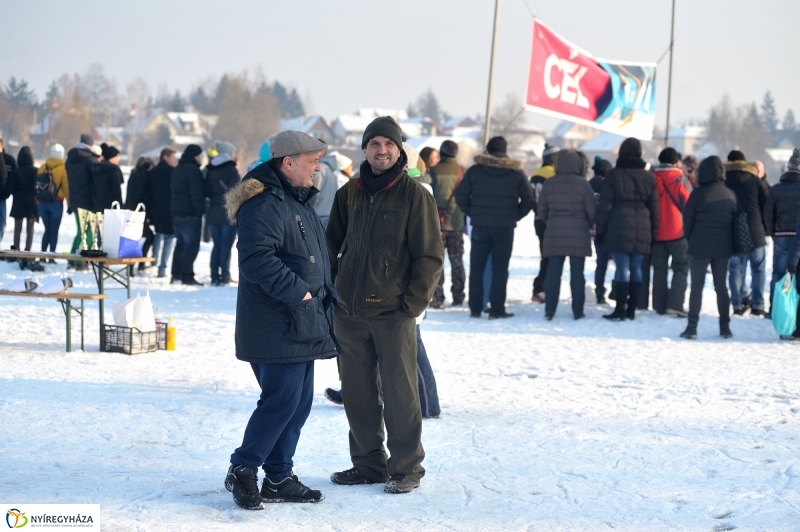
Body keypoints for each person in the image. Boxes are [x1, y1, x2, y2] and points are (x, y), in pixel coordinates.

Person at [326, 116, 443, 494]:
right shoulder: (349, 193)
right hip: (350, 312)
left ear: (399, 150)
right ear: (364, 149)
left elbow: (429, 256)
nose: (381, 151)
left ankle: (406, 467)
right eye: (374, 144)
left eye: (388, 144)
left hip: (394, 313)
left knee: (400, 394)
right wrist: (332, 290)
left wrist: (412, 303)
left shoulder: (415, 196)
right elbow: (331, 246)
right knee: (358, 393)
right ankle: (368, 465)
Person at [222, 130, 337, 511]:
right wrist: (299, 292)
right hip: (275, 320)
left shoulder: (297, 200)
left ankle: (278, 476)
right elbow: (257, 260)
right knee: (282, 399)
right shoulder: (264, 202)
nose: (317, 168)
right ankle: (243, 468)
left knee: (299, 402)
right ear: (288, 163)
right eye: (311, 161)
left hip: (301, 319)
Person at [456, 136, 534, 319]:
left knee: (477, 268)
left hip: (480, 226)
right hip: (504, 227)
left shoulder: (475, 171)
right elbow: (529, 199)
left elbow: (461, 196)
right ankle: (497, 309)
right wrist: (514, 215)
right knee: (500, 269)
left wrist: (473, 213)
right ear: (505, 151)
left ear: (488, 150)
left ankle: (475, 308)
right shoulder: (516, 173)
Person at [596, 137, 659, 322]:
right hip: (643, 224)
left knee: (621, 267)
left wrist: (601, 230)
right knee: (636, 267)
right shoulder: (648, 177)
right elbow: (655, 207)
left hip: (619, 223)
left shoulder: (614, 175)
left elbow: (605, 205)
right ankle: (632, 308)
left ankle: (620, 308)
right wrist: (654, 231)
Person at [680, 156, 737, 339]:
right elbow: (735, 222)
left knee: (696, 286)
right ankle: (725, 328)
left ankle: (692, 328)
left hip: (699, 246)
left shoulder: (698, 194)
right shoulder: (729, 194)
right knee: (721, 287)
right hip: (723, 247)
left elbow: (687, 221)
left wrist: (692, 239)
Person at [537, 149, 595, 320]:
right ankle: (578, 311)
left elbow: (542, 209)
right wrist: (586, 224)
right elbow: (592, 210)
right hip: (578, 232)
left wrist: (552, 222)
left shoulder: (549, 183)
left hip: (554, 231)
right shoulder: (583, 183)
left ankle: (550, 310)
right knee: (577, 274)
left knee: (553, 273)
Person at [724, 150, 768, 316]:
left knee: (735, 269)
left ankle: (737, 304)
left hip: (734, 232)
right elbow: (767, 203)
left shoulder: (724, 181)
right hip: (756, 229)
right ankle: (758, 304)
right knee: (759, 269)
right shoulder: (755, 181)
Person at [651, 147, 690, 316]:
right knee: (680, 267)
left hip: (657, 231)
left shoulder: (652, 178)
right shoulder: (680, 179)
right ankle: (675, 304)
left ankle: (659, 305)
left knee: (659, 269)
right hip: (677, 232)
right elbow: (688, 204)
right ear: (675, 162)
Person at [765, 148, 800, 317]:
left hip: (781, 236)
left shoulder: (776, 189)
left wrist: (773, 233)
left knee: (778, 274)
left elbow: (768, 214)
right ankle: (794, 313)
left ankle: (775, 309)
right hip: (798, 238)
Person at [430, 139, 466, 308]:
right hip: (457, 224)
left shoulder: (433, 171)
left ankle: (437, 298)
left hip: (436, 224)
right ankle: (458, 296)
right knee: (457, 262)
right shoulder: (462, 172)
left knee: (437, 263)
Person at [205, 141, 241, 286]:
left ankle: (214, 276)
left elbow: (206, 191)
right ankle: (225, 276)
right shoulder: (231, 170)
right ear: (228, 154)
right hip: (228, 212)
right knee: (226, 245)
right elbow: (237, 191)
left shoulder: (210, 169)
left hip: (213, 211)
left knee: (217, 245)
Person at [170, 144, 205, 285]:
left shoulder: (177, 169)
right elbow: (196, 193)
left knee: (180, 245)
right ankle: (187, 276)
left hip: (176, 212)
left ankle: (175, 274)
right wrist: (199, 211)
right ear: (195, 155)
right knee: (191, 246)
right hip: (190, 213)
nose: (202, 158)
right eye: (200, 155)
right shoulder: (193, 171)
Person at [65, 133, 99, 269]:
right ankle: (80, 261)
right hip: (88, 200)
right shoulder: (91, 161)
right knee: (88, 231)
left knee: (81, 230)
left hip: (75, 199)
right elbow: (94, 182)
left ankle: (72, 257)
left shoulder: (69, 160)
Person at [530, 143, 559, 303]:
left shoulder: (535, 174)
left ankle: (541, 287)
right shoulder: (554, 174)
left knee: (545, 253)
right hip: (550, 219)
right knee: (549, 256)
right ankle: (541, 288)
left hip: (538, 220)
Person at [8, 147, 43, 271]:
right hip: (32, 202)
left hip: (18, 202)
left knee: (17, 228)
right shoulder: (36, 171)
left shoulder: (16, 172)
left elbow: (10, 189)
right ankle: (28, 251)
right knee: (30, 228)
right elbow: (39, 188)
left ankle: (16, 249)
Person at [148, 147, 178, 278]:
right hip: (169, 209)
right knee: (168, 238)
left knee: (158, 234)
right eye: (172, 158)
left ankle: (153, 261)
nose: (174, 161)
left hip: (155, 209)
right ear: (165, 157)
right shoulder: (172, 172)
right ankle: (162, 268)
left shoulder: (152, 172)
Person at [37, 144, 69, 257]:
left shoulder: (42, 167)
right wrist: (70, 204)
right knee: (54, 230)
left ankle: (42, 256)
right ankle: (51, 256)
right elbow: (66, 188)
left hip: (42, 203)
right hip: (56, 202)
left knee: (47, 229)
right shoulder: (63, 169)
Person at [125, 157, 155, 273]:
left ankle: (131, 267)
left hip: (129, 210)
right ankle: (139, 264)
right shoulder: (144, 176)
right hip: (137, 213)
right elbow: (139, 195)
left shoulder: (134, 174)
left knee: (133, 239)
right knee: (149, 237)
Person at [589, 157, 612, 303]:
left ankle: (599, 291)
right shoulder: (609, 185)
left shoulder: (588, 184)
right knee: (619, 262)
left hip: (594, 229)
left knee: (601, 262)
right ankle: (616, 288)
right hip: (610, 228)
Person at [92, 143, 123, 211]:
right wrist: (120, 207)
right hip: (111, 208)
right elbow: (116, 191)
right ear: (112, 157)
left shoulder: (96, 168)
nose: (119, 159)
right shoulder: (113, 170)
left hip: (97, 206)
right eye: (117, 156)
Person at [0, 139, 16, 251]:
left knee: (1, 223)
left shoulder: (8, 160)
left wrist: (8, 192)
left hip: (2, 197)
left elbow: (14, 177)